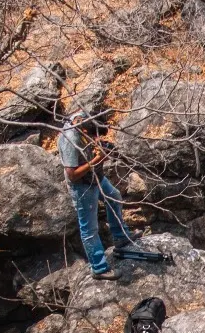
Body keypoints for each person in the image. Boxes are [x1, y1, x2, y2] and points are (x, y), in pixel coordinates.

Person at [58, 110, 154, 280]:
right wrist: (97, 159)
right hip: (82, 185)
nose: (95, 139)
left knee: (114, 196)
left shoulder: (85, 118)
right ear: (84, 130)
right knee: (90, 228)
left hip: (96, 176)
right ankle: (99, 268)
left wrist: (100, 147)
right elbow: (72, 175)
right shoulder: (70, 139)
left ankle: (120, 237)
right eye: (93, 136)